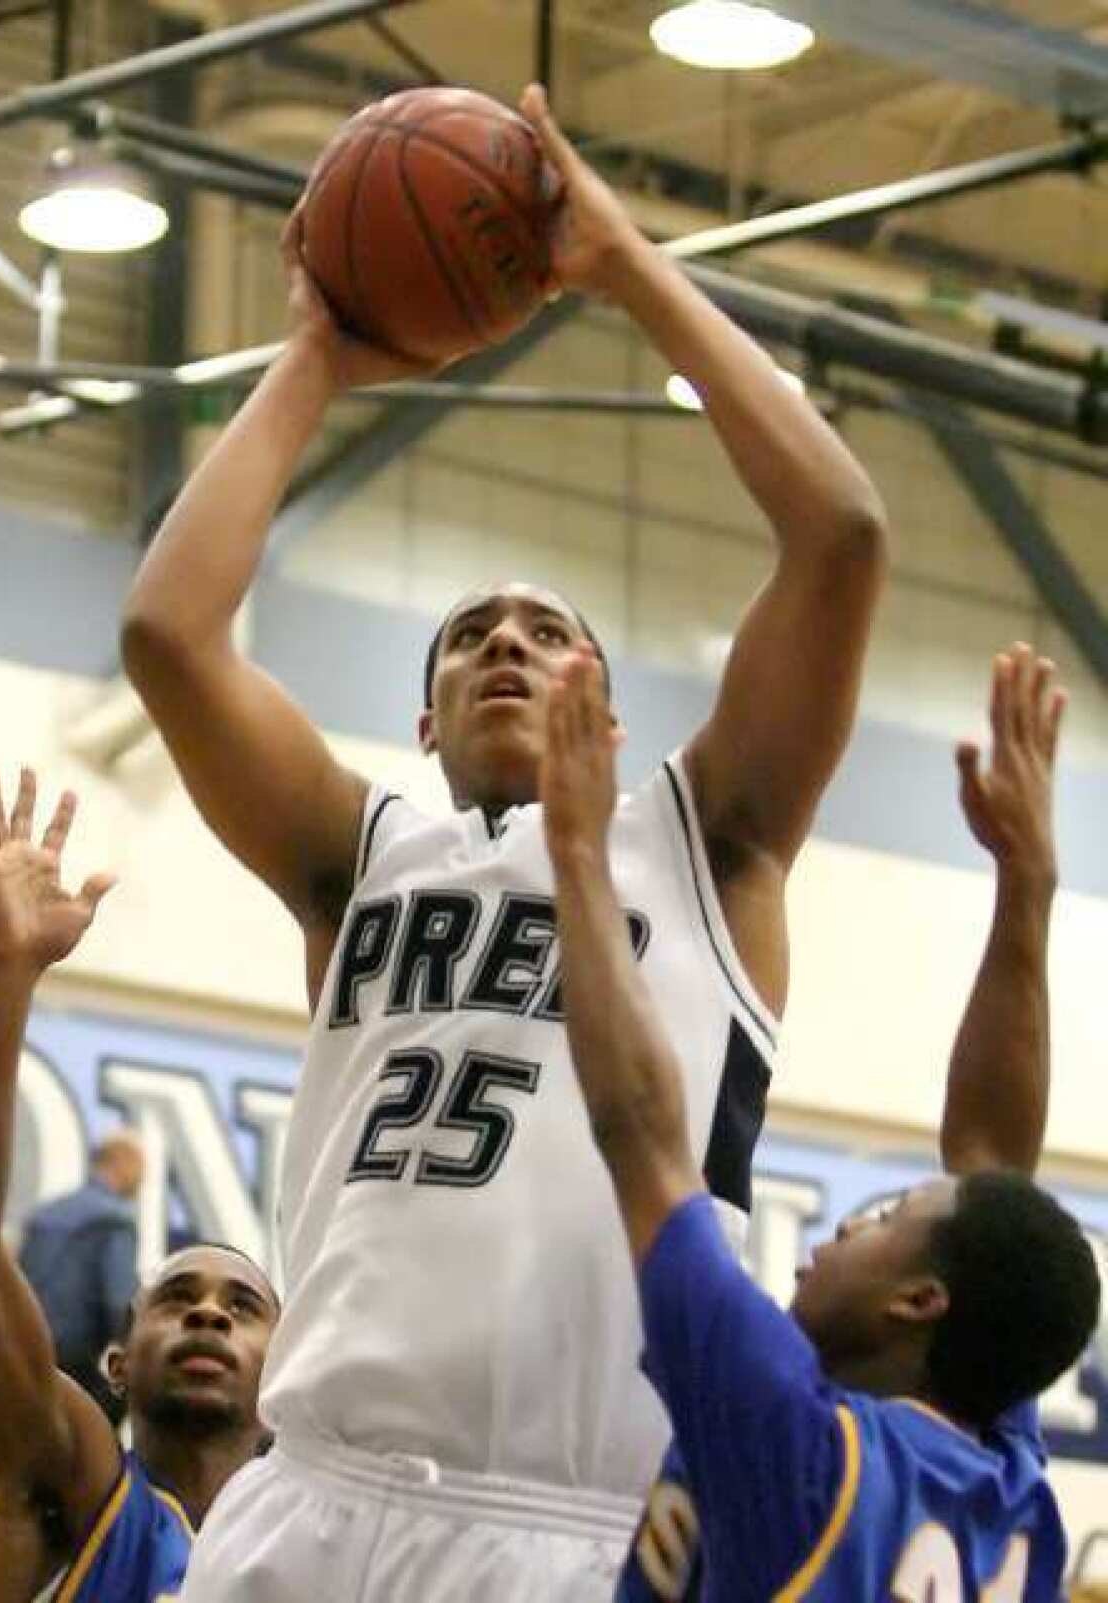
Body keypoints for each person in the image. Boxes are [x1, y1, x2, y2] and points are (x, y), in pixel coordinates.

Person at [121, 81, 888, 1601]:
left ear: (604, 695)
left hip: (573, 1512)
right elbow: (166, 632)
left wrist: (623, 268)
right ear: (422, 724)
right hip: (315, 1490)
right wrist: (318, 352)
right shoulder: (364, 853)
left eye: (549, 632)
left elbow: (843, 534)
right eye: (469, 634)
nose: (506, 646)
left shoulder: (710, 840)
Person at [539, 641, 1101, 1602]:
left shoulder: (791, 1433)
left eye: (882, 1220)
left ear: (917, 1301)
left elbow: (642, 1132)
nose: (845, 1226)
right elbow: (992, 1165)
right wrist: (1026, 886)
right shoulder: (1002, 1474)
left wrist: (580, 856)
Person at [0, 767, 278, 1603]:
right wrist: (9, 970)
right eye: (178, 1296)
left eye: (243, 1306)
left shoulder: (313, 1551)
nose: (207, 1311)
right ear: (117, 1364)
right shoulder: (71, 1486)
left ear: (287, 1374)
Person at [19, 1127, 144, 1420]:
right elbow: (119, 1300)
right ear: (122, 1163)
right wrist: (137, 1350)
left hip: (22, 1352)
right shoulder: (116, 1219)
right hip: (73, 1362)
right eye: (141, 1172)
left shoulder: (44, 1215)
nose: (141, 1183)